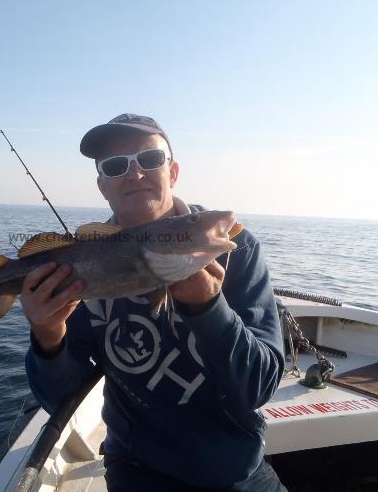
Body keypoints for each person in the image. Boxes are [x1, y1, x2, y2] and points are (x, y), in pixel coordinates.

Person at [22, 113, 286, 491]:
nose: (134, 174)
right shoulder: (82, 264)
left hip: (235, 467)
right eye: (116, 166)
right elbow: (62, 399)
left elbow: (258, 387)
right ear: (102, 186)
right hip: (138, 467)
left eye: (149, 160)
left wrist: (208, 307)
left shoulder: (234, 249)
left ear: (173, 171)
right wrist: (48, 336)